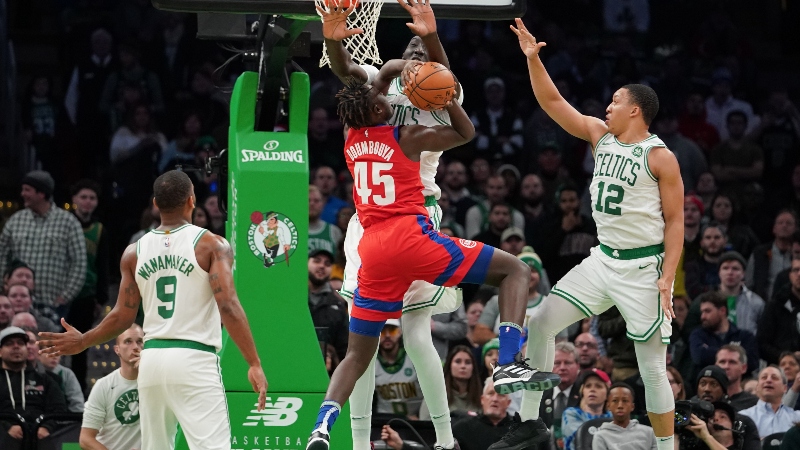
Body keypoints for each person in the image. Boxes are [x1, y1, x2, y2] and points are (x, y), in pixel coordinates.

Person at [308, 9, 558, 450]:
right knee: (397, 332)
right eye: (411, 48)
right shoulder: (399, 112)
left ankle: (437, 439)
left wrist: (418, 49)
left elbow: (369, 79)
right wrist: (382, 62)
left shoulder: (392, 102)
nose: (415, 54)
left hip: (390, 224)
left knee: (405, 335)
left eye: (424, 53)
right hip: (401, 225)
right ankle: (360, 440)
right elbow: (349, 70)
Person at [499, 20, 684, 450]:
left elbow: (676, 223)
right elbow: (552, 102)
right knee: (541, 322)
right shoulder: (600, 137)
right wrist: (533, 58)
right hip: (602, 260)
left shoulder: (660, 156)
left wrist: (667, 277)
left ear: (636, 109)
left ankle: (664, 446)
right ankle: (531, 421)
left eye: (616, 101)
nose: (608, 107)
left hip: (643, 265)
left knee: (652, 366)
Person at [38, 171, 268, 450]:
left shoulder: (134, 252)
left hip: (152, 361)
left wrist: (85, 340)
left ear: (156, 204)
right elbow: (228, 305)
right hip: (193, 358)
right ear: (192, 200)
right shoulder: (211, 244)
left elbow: (123, 315)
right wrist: (253, 362)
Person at [0, 171, 87, 317]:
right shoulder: (15, 221)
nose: (22, 194)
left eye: (27, 190)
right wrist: (3, 287)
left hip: (53, 304)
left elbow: (79, 264)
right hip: (17, 303)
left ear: (41, 193)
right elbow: (1, 255)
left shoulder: (68, 222)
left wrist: (65, 296)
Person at [70, 178, 110, 392]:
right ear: (74, 199)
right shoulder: (64, 223)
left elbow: (102, 265)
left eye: (92, 198)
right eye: (83, 197)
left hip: (86, 295)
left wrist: (101, 298)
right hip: (62, 294)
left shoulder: (99, 229)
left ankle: (78, 390)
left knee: (80, 346)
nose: (87, 202)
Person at [0, 327, 66, 448]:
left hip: (40, 434)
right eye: (9, 344)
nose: (16, 346)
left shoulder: (46, 380)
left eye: (20, 343)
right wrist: (7, 427)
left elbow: (59, 409)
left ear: (27, 349)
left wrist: (46, 427)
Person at [80, 324, 143, 450]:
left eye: (140, 341)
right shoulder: (104, 386)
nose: (135, 347)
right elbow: (86, 439)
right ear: (117, 349)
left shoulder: (156, 382)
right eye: (128, 342)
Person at [474, 249, 546, 345]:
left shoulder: (548, 304)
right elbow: (478, 334)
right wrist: (505, 340)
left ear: (540, 275)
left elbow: (560, 340)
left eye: (533, 271)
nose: (529, 275)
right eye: (524, 271)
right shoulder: (498, 301)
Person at [691, 365, 760, 450]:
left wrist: (707, 437)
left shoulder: (742, 422)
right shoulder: (688, 419)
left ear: (724, 391)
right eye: (703, 383)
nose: (707, 389)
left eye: (713, 384)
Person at [689, 292, 759, 374]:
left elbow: (752, 362)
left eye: (707, 311)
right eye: (702, 312)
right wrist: (736, 355)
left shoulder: (744, 336)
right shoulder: (698, 335)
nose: (703, 317)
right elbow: (699, 357)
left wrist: (710, 350)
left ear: (722, 311)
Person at [374, 319, 424, 419]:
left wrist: (421, 416)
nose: (387, 335)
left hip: (418, 422)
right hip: (383, 422)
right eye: (382, 331)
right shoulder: (369, 363)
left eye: (392, 330)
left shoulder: (417, 357)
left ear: (400, 332)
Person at [451, 378, 516, 450]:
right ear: (482, 399)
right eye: (491, 393)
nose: (495, 399)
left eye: (501, 395)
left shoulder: (519, 430)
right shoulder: (462, 428)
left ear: (508, 403)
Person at [308, 248, 349, 361]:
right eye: (317, 261)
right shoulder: (294, 298)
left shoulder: (337, 306)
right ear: (306, 263)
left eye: (327, 264)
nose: (322, 266)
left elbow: (344, 348)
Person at [757, 256, 800, 365]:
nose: (799, 274)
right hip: (779, 369)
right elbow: (762, 343)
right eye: (796, 270)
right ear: (790, 275)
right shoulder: (775, 306)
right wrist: (787, 357)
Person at [746, 210, 796, 301]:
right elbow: (749, 284)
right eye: (780, 223)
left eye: (788, 223)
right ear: (774, 229)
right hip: (764, 305)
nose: (784, 226)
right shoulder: (759, 253)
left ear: (795, 229)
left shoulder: (797, 254)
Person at [421, 345, 482, 420]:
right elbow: (425, 425)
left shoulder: (481, 398)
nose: (463, 366)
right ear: (449, 365)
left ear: (473, 368)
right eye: (458, 361)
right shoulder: (433, 396)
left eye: (468, 362)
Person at [592, 382, 657, 450]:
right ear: (608, 406)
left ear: (632, 406)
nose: (620, 406)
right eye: (615, 401)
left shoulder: (649, 433)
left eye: (625, 401)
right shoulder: (600, 436)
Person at [739, 366, 800, 437]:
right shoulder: (743, 417)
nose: (768, 380)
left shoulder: (797, 418)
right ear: (757, 387)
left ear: (785, 388)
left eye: (774, 378)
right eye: (764, 377)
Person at [562, 369, 612, 450]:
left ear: (607, 394)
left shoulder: (612, 416)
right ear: (583, 392)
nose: (592, 389)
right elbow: (584, 440)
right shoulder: (571, 414)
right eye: (588, 386)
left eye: (598, 386)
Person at [715, 345, 758, 411]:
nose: (726, 366)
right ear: (715, 366)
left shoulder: (755, 404)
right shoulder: (707, 400)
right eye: (722, 362)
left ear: (743, 368)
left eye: (732, 362)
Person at [309, 185, 343, 257]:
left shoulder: (334, 231)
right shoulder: (294, 230)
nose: (312, 204)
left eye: (316, 201)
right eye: (308, 200)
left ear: (323, 204)